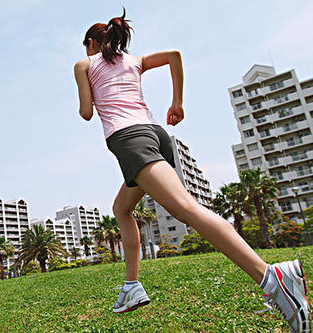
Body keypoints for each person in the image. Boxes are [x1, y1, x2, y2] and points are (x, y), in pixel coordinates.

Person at [73, 8, 311, 332]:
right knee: (122, 208)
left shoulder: (85, 64)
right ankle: (131, 287)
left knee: (186, 209)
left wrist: (89, 92)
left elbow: (87, 112)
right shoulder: (133, 61)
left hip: (129, 139)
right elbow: (174, 55)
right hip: (154, 133)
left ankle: (271, 277)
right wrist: (177, 103)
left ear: (91, 43)